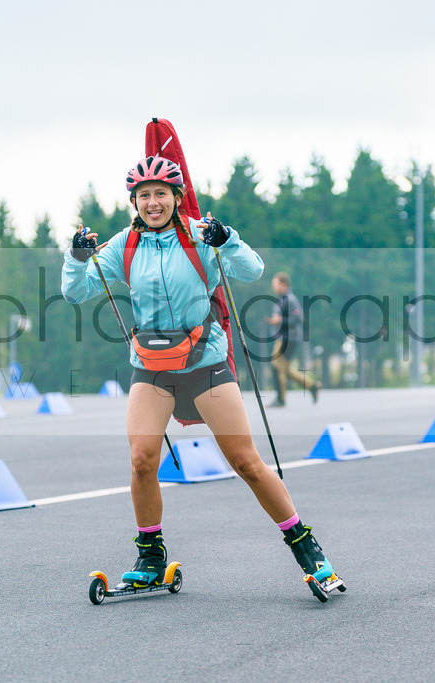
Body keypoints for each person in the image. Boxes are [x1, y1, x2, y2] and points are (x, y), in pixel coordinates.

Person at [61, 155, 338, 592]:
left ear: (177, 197)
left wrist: (226, 240)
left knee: (246, 462)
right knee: (141, 459)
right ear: (134, 201)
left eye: (161, 194)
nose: (153, 203)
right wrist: (77, 257)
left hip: (205, 362)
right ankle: (151, 555)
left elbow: (251, 270)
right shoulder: (123, 247)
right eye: (144, 196)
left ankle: (307, 547)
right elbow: (75, 292)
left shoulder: (198, 237)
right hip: (151, 367)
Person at [267, 272, 322, 407]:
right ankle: (312, 386)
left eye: (276, 284)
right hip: (282, 337)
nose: (274, 287)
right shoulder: (280, 299)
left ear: (284, 284)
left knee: (277, 367)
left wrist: (281, 320)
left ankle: (281, 399)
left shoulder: (290, 299)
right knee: (284, 368)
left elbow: (299, 318)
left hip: (289, 338)